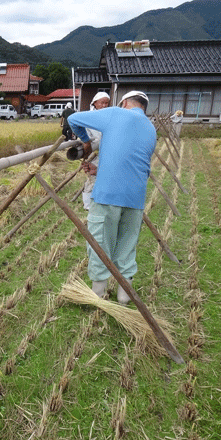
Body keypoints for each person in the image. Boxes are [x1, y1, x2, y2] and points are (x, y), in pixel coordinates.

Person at [67, 91, 156, 305]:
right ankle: (124, 299)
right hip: (135, 198)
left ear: (124, 102)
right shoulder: (151, 128)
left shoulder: (116, 113)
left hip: (108, 196)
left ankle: (97, 297)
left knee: (100, 244)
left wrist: (86, 141)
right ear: (144, 107)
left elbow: (72, 119)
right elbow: (129, 161)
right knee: (126, 247)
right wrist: (99, 170)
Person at [81, 92, 110, 210]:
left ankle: (100, 201)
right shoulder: (89, 116)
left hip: (106, 152)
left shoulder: (108, 116)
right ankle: (88, 205)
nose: (104, 105)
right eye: (102, 103)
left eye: (106, 103)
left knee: (104, 177)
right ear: (95, 103)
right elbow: (85, 135)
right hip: (92, 152)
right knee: (91, 178)